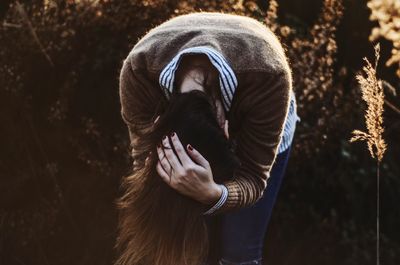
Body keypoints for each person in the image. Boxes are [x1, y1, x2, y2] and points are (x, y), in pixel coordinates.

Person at [118, 12, 300, 265]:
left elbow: (254, 179)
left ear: (228, 131)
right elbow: (142, 163)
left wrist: (215, 194)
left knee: (239, 251)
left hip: (266, 120)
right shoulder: (139, 73)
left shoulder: (268, 76)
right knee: (179, 237)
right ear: (157, 124)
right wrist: (152, 150)